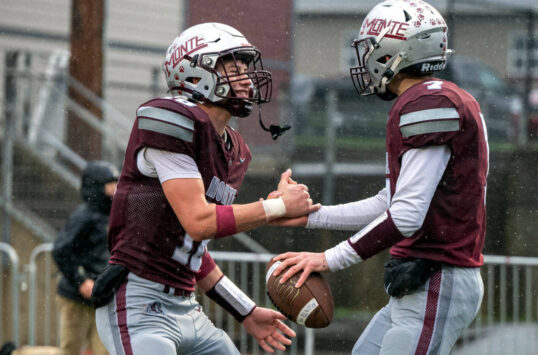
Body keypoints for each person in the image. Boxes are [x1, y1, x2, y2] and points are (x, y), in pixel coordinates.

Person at [271, 1, 488, 354]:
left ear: (393, 52)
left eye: (371, 48)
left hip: (436, 277)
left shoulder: (430, 104)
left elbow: (405, 215)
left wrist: (327, 258)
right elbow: (389, 203)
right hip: (420, 279)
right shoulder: (431, 99)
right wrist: (312, 218)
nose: (366, 59)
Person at [94, 22, 320, 355]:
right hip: (140, 304)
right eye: (232, 67)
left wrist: (246, 311)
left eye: (245, 67)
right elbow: (199, 221)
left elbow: (192, 249)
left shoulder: (234, 149)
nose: (245, 77)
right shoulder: (170, 120)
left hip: (188, 307)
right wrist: (274, 209)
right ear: (194, 73)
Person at [52, 160, 119, 355]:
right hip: (75, 297)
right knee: (70, 350)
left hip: (102, 298)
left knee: (105, 351)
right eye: (109, 184)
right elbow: (61, 250)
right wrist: (81, 281)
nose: (115, 189)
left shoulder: (113, 215)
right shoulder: (83, 217)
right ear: (96, 187)